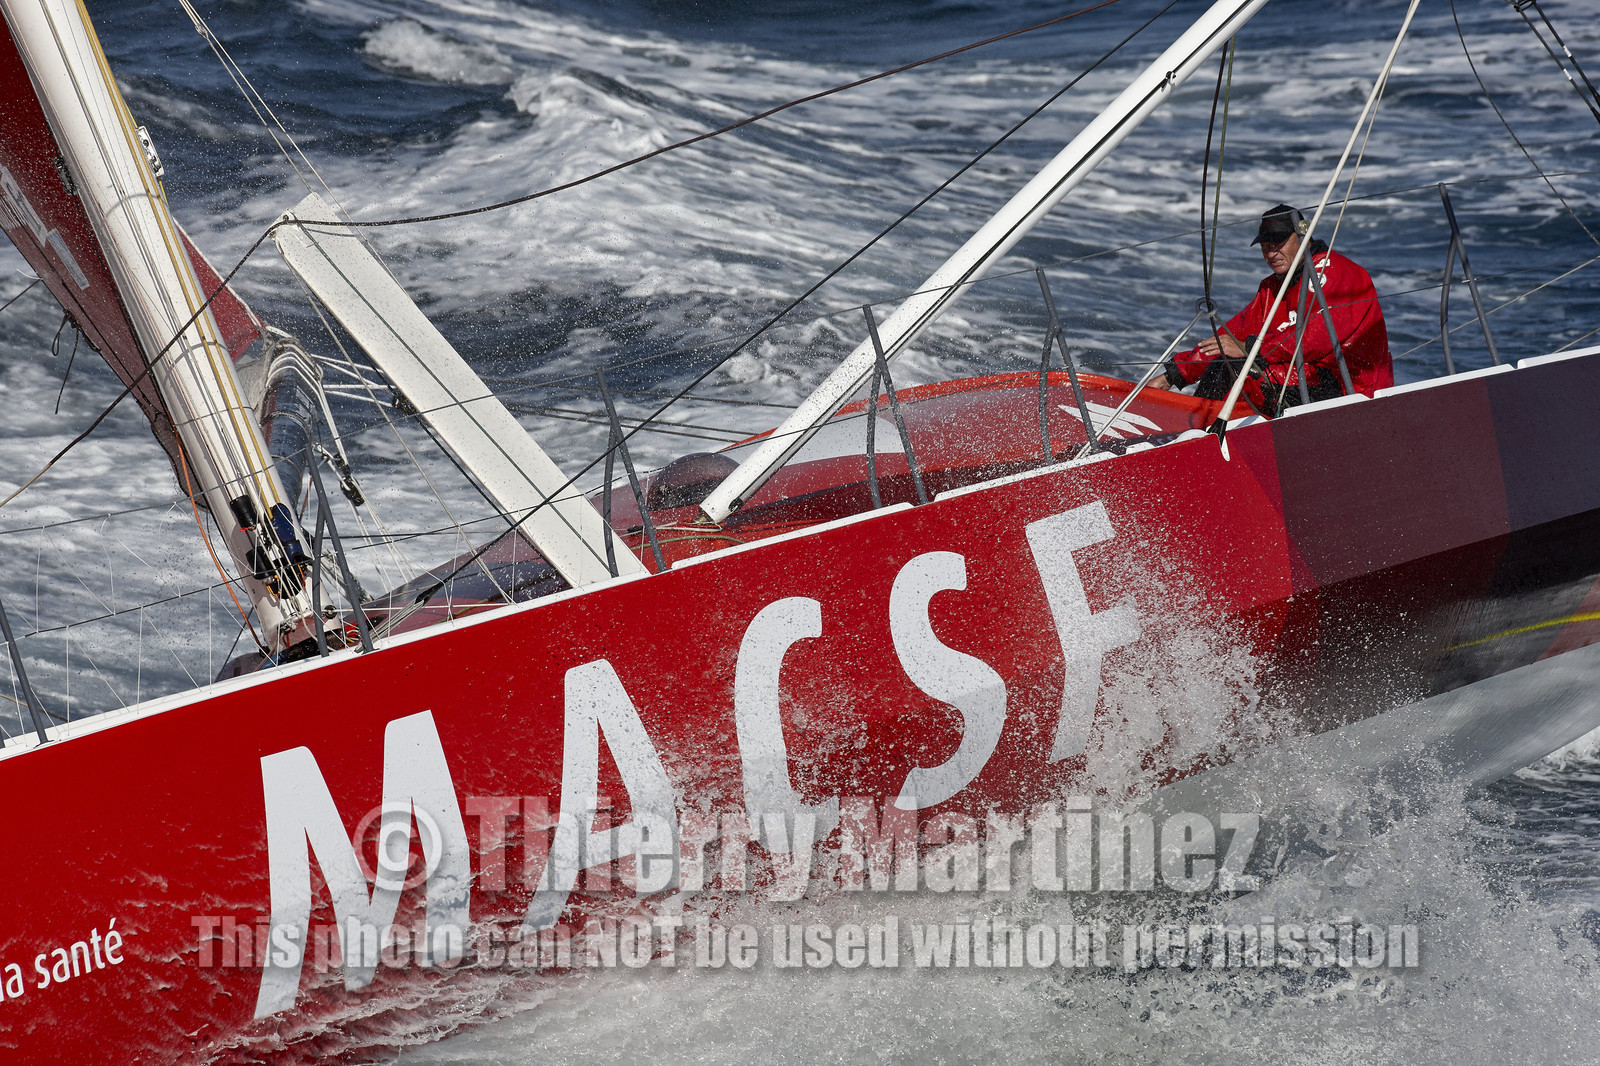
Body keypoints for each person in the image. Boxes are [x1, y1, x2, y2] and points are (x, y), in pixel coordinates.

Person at [1156, 204, 1392, 413]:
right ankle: (1192, 427)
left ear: (1303, 236)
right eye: (1265, 246)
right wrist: (1173, 375)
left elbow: (1313, 341)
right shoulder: (1272, 288)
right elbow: (1229, 337)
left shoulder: (1339, 272)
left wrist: (1250, 348)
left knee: (1239, 368)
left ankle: (1196, 431)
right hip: (1298, 378)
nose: (1271, 254)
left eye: (1278, 244)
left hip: (1349, 388)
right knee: (1227, 362)